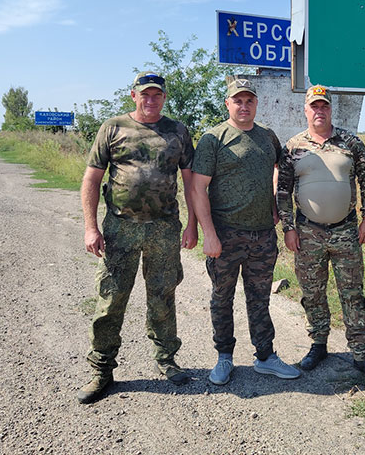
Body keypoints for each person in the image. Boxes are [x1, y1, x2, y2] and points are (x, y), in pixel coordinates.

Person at [76, 71, 198, 404]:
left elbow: (190, 182)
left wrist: (193, 224)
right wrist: (90, 227)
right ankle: (101, 369)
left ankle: (166, 358)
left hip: (164, 228)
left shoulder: (178, 132)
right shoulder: (113, 128)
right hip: (120, 228)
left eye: (157, 94)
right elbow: (91, 180)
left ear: (164, 97)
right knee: (111, 299)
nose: (151, 100)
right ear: (134, 96)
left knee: (163, 295)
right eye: (145, 94)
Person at [190, 78, 301, 385]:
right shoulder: (214, 138)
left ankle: (265, 356)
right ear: (228, 104)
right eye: (237, 101)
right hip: (226, 234)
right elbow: (198, 188)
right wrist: (209, 233)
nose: (243, 106)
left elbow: (279, 168)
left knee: (260, 298)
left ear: (256, 103)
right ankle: (224, 357)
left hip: (262, 235)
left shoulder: (267, 136)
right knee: (222, 297)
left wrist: (275, 201)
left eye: (249, 100)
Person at [276, 85, 365, 383]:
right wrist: (288, 228)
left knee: (352, 294)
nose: (319, 111)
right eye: (314, 106)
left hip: (346, 231)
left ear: (330, 109)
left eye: (324, 105)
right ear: (306, 110)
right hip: (307, 233)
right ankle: (318, 344)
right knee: (312, 293)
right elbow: (283, 191)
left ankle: (362, 354)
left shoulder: (350, 142)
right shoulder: (294, 146)